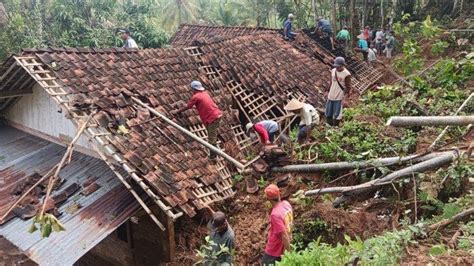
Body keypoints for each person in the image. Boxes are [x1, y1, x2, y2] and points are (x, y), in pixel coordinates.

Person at [173, 81, 222, 160]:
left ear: (194, 89)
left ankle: (213, 156)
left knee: (211, 138)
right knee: (212, 135)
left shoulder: (196, 97)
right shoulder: (205, 94)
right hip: (217, 115)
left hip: (213, 117)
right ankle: (215, 151)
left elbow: (188, 106)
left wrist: (177, 111)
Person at [262, 184, 293, 266]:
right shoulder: (286, 204)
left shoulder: (275, 215)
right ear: (279, 194)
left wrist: (288, 254)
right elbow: (289, 224)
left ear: (268, 199)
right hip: (283, 245)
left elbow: (284, 235)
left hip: (274, 250)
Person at [325, 57, 351, 127]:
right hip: (331, 95)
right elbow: (331, 82)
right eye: (336, 66)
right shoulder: (333, 71)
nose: (337, 68)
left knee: (337, 114)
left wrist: (344, 98)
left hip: (339, 96)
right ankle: (329, 127)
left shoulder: (346, 74)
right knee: (328, 112)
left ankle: (335, 127)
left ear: (343, 65)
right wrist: (327, 91)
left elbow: (348, 88)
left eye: (338, 67)